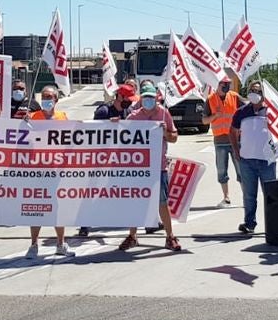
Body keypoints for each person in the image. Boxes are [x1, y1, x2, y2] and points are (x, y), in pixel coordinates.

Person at [118, 84, 182, 252]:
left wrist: (165, 134)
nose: (147, 101)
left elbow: (174, 137)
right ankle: (132, 236)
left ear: (156, 98)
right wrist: (114, 124)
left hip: (158, 166)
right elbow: (121, 133)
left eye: (150, 98)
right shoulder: (134, 116)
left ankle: (170, 237)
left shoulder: (163, 113)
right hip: (138, 167)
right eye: (145, 97)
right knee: (135, 202)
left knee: (162, 203)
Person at [79, 84, 137, 236]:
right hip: (101, 159)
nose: (129, 102)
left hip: (120, 159)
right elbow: (93, 132)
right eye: (127, 99)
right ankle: (84, 223)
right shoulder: (103, 111)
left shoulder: (129, 111)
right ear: (118, 96)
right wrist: (107, 125)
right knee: (93, 190)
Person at [25, 85, 75, 258]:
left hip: (56, 172)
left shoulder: (63, 118)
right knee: (37, 208)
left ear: (56, 100)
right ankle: (33, 245)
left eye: (49, 97)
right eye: (44, 97)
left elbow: (71, 142)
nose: (46, 100)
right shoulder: (33, 117)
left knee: (57, 208)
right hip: (37, 171)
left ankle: (61, 243)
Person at [230, 80, 277, 235]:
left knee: (270, 194)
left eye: (257, 91)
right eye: (251, 90)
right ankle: (249, 223)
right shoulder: (241, 112)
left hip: (267, 161)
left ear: (264, 95)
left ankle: (274, 224)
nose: (254, 93)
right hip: (246, 161)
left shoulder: (271, 112)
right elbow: (232, 131)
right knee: (249, 195)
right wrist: (236, 150)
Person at [205, 77, 242, 208]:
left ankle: (246, 197)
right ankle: (226, 197)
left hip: (235, 140)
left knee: (242, 170)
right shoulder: (210, 99)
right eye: (224, 84)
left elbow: (247, 109)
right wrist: (215, 116)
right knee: (221, 170)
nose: (226, 86)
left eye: (228, 84)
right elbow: (204, 120)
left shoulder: (234, 97)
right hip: (220, 141)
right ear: (217, 85)